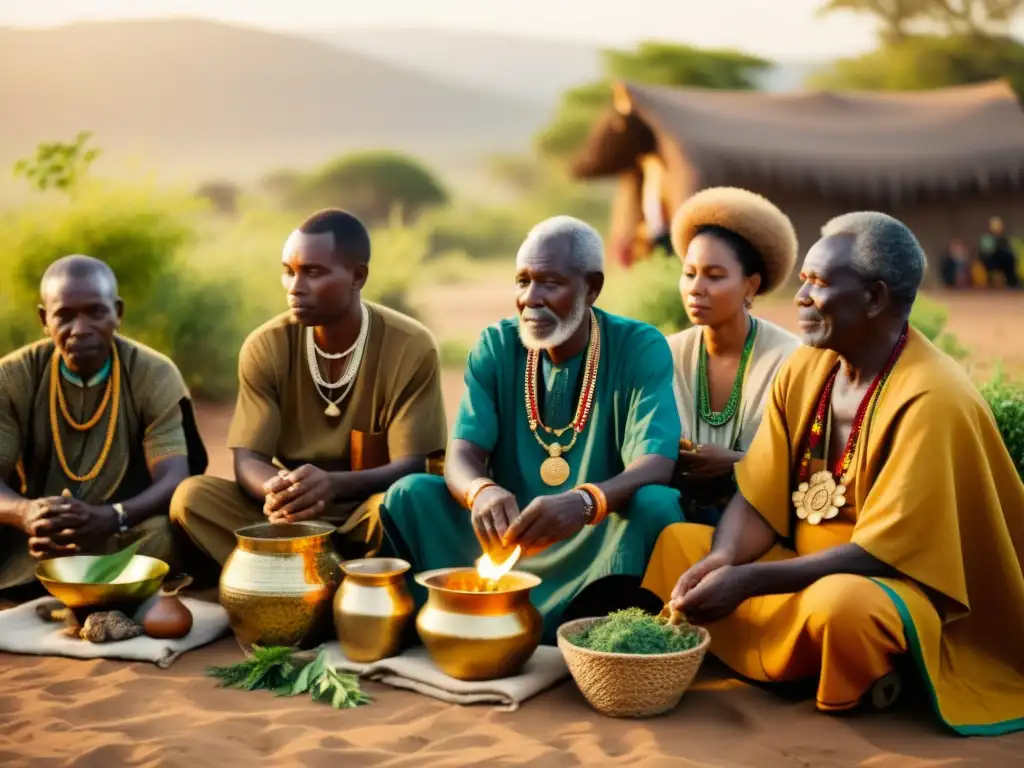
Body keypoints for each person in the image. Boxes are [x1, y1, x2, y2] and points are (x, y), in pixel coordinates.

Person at [642, 212, 1024, 733]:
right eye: (803, 280)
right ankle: (812, 663)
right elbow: (759, 496)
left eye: (818, 284)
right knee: (678, 545)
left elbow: (885, 553)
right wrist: (725, 559)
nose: (800, 298)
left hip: (891, 584)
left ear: (873, 298)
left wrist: (749, 580)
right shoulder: (806, 366)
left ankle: (862, 667)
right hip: (795, 565)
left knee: (842, 610)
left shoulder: (933, 396)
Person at [380, 216, 683, 642]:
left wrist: (584, 502)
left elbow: (655, 463)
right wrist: (481, 491)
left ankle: (595, 637)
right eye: (522, 281)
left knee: (656, 505)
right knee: (411, 494)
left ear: (591, 288)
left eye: (550, 283)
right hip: (503, 536)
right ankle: (457, 619)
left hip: (594, 539)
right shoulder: (497, 345)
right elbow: (463, 453)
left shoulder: (639, 346)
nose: (530, 299)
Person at [170, 209, 447, 565]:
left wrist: (331, 484)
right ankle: (330, 576)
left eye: (313, 272)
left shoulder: (410, 346)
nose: (295, 287)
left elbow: (412, 465)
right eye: (289, 271)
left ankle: (295, 576)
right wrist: (280, 493)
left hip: (369, 514)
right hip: (292, 518)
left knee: (414, 497)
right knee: (192, 497)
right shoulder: (265, 346)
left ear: (357, 276)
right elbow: (248, 459)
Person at [0, 255, 207, 595]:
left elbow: (174, 476)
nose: (80, 329)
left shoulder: (153, 374)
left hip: (123, 532)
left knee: (164, 536)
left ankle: (70, 582)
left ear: (118, 313)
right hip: (35, 539)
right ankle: (94, 582)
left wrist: (114, 516)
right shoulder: (12, 377)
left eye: (95, 312)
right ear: (43, 318)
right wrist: (26, 514)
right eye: (64, 315)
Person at [667, 187, 801, 526]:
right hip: (674, 514)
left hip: (760, 523)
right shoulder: (665, 354)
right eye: (689, 273)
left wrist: (738, 463)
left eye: (714, 276)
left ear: (751, 287)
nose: (696, 288)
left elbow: (811, 467)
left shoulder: (792, 360)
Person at [979, 216, 1020, 288]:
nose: (997, 229)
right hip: (990, 261)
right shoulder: (986, 238)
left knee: (1009, 257)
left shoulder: (1003, 239)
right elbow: (986, 252)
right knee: (1004, 254)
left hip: (1003, 262)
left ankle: (1011, 281)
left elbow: (1009, 250)